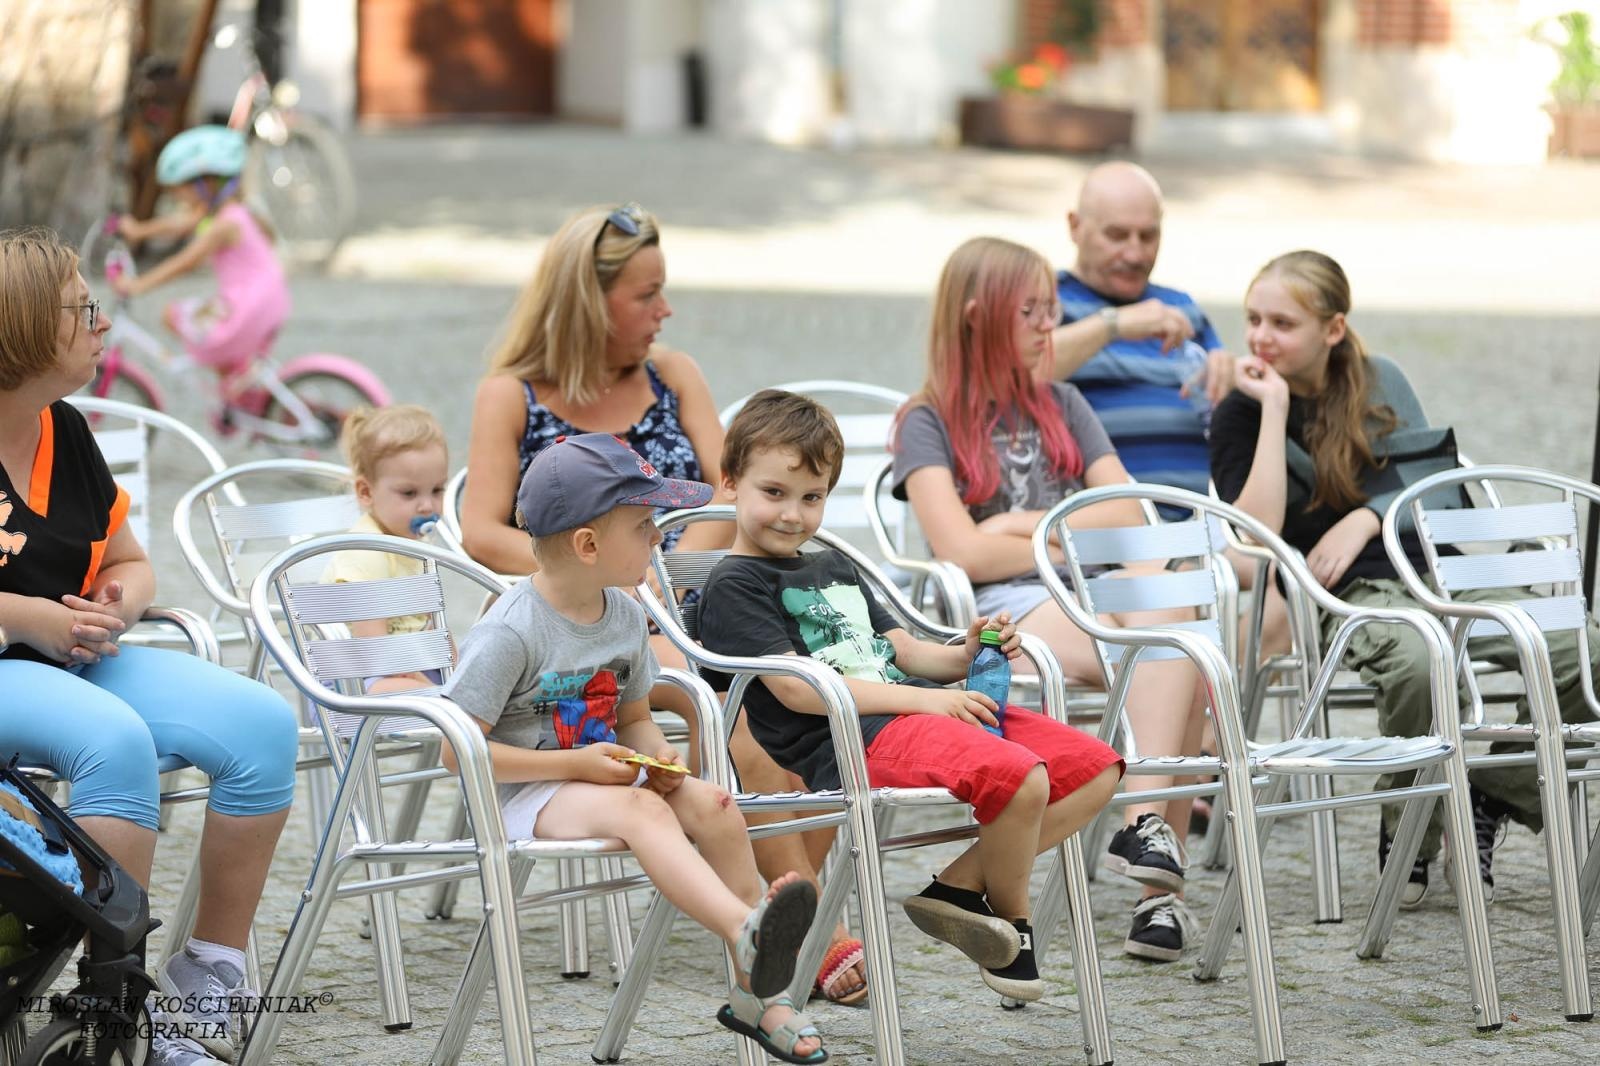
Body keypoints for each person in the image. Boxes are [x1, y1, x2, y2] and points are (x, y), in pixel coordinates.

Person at [460, 202, 866, 1002]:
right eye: (646, 295)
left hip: (693, 592)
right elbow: (479, 531)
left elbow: (727, 490)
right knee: (741, 711)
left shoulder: (672, 375)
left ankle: (784, 911)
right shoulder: (510, 394)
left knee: (795, 705)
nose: (664, 310)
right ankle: (802, 928)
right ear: (588, 300)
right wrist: (615, 580)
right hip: (578, 615)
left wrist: (672, 575)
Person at [698, 388, 1122, 1000]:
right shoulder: (734, 583)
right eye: (775, 494)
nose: (793, 515)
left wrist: (967, 650)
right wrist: (927, 701)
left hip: (910, 709)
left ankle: (955, 889)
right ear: (731, 481)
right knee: (1022, 777)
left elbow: (901, 649)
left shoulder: (832, 567)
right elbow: (795, 690)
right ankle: (1015, 929)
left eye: (812, 498)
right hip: (849, 736)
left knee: (1094, 769)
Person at [1211, 248, 1600, 909]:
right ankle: (1410, 838)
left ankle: (1488, 792)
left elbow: (1431, 484)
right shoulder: (1242, 412)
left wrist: (1366, 516)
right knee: (1420, 662)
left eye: (1282, 322)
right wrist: (1274, 412)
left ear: (1333, 329)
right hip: (1352, 594)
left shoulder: (1377, 378)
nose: (1260, 337)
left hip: (1443, 569)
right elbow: (1254, 533)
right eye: (1253, 319)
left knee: (1581, 646)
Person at [0, 228, 299, 1065]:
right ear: (21, 330)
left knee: (260, 723)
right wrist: (27, 618)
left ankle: (205, 987)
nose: (103, 324)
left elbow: (131, 562)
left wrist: (118, 603)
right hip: (14, 664)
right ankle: (109, 1004)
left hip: (77, 659)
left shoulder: (67, 432)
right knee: (113, 742)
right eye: (83, 310)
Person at [440, 433, 828, 1064]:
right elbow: (457, 752)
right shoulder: (512, 628)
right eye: (645, 525)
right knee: (644, 813)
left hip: (599, 779)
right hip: (523, 792)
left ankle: (758, 998)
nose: (659, 539)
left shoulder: (622, 614)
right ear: (588, 545)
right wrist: (574, 765)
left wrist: (660, 760)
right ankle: (743, 930)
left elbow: (635, 718)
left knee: (715, 804)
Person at [889, 236, 1212, 961]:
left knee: (1174, 629)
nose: (1048, 326)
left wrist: (1022, 523)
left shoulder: (1064, 401)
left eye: (1051, 309)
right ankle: (1159, 891)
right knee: (1174, 655)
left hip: (1092, 587)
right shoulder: (928, 420)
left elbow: (1128, 516)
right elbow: (961, 552)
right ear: (978, 318)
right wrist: (1060, 540)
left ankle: (1148, 835)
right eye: (1030, 311)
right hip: (1004, 611)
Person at [1048, 161, 1233, 496]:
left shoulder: (1182, 307)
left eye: (1148, 236)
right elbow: (1013, 373)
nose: (1135, 254)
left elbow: (1220, 403)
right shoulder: (1046, 300)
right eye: (1117, 235)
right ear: (1075, 227)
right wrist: (1112, 325)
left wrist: (1229, 375)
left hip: (1201, 521)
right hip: (1097, 526)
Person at [111, 126, 290, 379]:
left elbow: (186, 261)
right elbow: (179, 224)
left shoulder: (226, 224)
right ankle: (236, 390)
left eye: (179, 191)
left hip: (249, 308)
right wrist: (139, 231)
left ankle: (233, 385)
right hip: (267, 301)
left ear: (204, 184)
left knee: (173, 315)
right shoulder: (230, 210)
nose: (178, 198)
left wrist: (138, 285)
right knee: (210, 332)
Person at [322, 404, 450, 693]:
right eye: (409, 493)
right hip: (353, 682)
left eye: (437, 490)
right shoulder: (367, 554)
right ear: (366, 492)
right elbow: (374, 655)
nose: (427, 505)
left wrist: (459, 673)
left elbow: (434, 628)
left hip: (407, 665)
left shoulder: (417, 545)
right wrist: (440, 690)